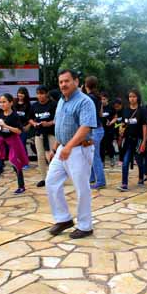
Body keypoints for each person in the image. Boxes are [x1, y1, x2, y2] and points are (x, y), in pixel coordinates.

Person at [45, 69, 97, 239]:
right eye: (61, 82)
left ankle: (85, 226)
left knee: (82, 189)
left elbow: (85, 127)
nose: (63, 85)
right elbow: (61, 126)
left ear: (76, 81)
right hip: (63, 148)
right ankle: (63, 219)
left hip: (79, 149)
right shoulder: (61, 101)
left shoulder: (85, 102)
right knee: (51, 182)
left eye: (67, 81)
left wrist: (68, 147)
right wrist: (56, 148)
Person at [118, 89, 147, 191]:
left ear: (138, 97)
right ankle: (124, 183)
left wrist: (144, 141)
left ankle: (141, 178)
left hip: (138, 140)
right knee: (125, 162)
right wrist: (121, 131)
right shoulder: (125, 110)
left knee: (139, 161)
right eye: (130, 96)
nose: (132, 98)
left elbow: (144, 126)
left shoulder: (142, 110)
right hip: (127, 140)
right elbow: (123, 123)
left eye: (134, 96)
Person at [30, 85, 57, 187]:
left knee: (52, 156)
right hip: (39, 133)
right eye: (38, 94)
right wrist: (33, 124)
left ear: (46, 94)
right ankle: (44, 178)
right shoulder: (34, 106)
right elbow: (30, 118)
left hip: (50, 134)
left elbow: (57, 119)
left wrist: (49, 123)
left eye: (42, 93)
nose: (40, 96)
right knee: (40, 156)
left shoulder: (53, 104)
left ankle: (55, 177)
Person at [84, 76, 107, 189]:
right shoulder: (97, 98)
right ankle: (92, 178)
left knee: (94, 156)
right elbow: (101, 114)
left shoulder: (88, 98)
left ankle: (101, 181)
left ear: (86, 85)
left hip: (93, 130)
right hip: (98, 128)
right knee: (90, 154)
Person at [14, 87, 32, 166]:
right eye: (19, 93)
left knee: (22, 144)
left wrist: (28, 126)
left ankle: (25, 162)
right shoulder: (14, 104)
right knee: (16, 145)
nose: (20, 95)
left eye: (22, 93)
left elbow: (31, 117)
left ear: (25, 95)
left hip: (24, 128)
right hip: (15, 128)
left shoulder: (28, 105)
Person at [100, 92, 117, 167]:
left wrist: (110, 122)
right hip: (100, 129)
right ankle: (102, 161)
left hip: (109, 130)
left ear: (107, 99)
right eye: (101, 99)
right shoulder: (98, 107)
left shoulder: (111, 107)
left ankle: (112, 158)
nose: (102, 101)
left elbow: (115, 117)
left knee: (108, 145)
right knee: (101, 145)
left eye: (104, 99)